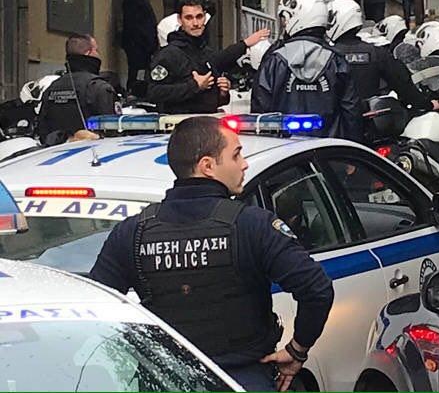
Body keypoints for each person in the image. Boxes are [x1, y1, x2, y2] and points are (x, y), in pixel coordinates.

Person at [90, 116, 334, 391]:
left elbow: (94, 306)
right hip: (240, 379)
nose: (244, 164)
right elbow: (317, 290)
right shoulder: (252, 225)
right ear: (207, 166)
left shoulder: (132, 232)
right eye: (236, 155)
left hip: (162, 381)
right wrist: (297, 350)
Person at [252, 0, 362, 141]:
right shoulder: (336, 61)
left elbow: (260, 109)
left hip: (281, 149)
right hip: (329, 149)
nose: (284, 24)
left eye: (286, 19)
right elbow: (351, 112)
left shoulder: (275, 59)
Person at [148, 0, 269, 113]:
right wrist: (194, 86)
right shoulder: (168, 55)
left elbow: (210, 98)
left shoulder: (206, 52)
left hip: (208, 120)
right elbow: (153, 92)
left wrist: (222, 92)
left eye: (199, 16)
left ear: (205, 17)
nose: (195, 23)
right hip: (178, 122)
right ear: (180, 20)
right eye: (189, 18)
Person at [326, 0, 438, 114]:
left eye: (330, 19)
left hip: (331, 119)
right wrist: (426, 104)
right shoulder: (376, 53)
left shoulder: (325, 53)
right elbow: (403, 84)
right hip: (368, 118)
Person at [37, 34, 117, 146]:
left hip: (56, 153)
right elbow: (112, 134)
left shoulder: (52, 88)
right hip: (93, 153)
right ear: (89, 53)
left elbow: (42, 130)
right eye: (96, 50)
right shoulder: (99, 87)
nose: (98, 54)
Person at [122, 0, 158, 98]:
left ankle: (139, 91)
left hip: (144, 44)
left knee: (141, 71)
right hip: (137, 44)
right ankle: (134, 92)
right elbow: (135, 23)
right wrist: (146, 42)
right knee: (136, 70)